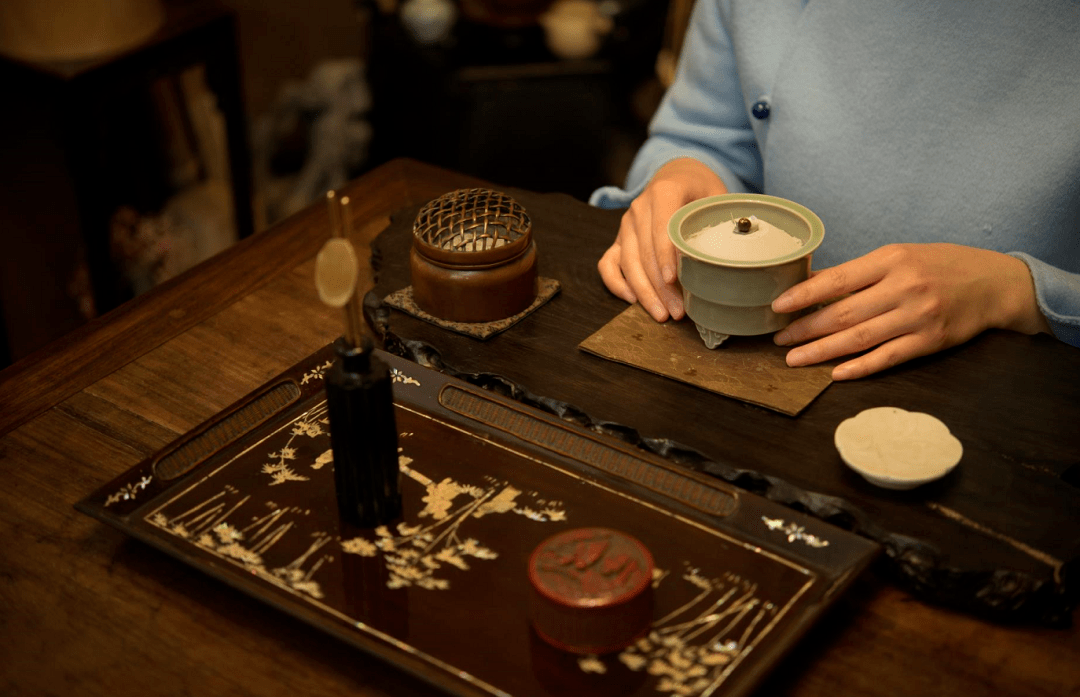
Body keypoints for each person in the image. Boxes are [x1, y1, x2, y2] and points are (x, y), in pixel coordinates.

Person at [591, 0, 1080, 380]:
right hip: (766, 357)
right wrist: (681, 171)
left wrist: (1018, 291)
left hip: (1009, 392)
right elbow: (701, 131)